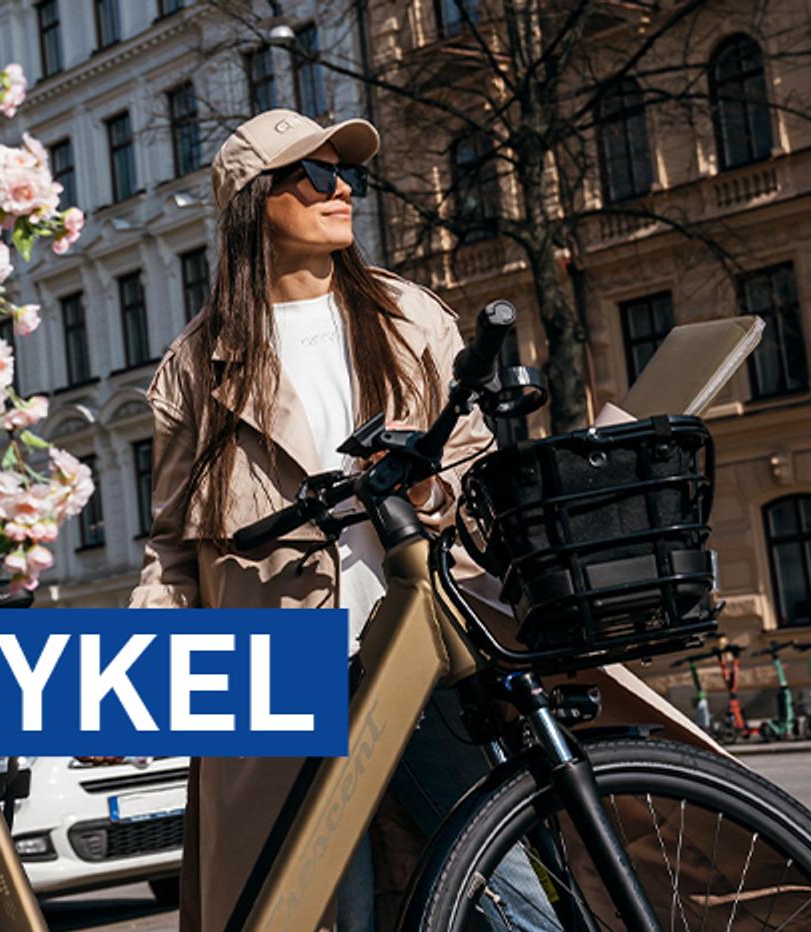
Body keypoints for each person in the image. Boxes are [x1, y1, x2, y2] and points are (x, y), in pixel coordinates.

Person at [127, 109, 556, 931]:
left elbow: (471, 464)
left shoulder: (406, 317)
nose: (342, 189)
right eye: (316, 175)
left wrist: (422, 490)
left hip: (420, 653)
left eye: (343, 172)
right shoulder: (198, 364)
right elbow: (174, 547)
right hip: (284, 680)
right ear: (256, 201)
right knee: (331, 912)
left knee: (512, 898)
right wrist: (153, 669)